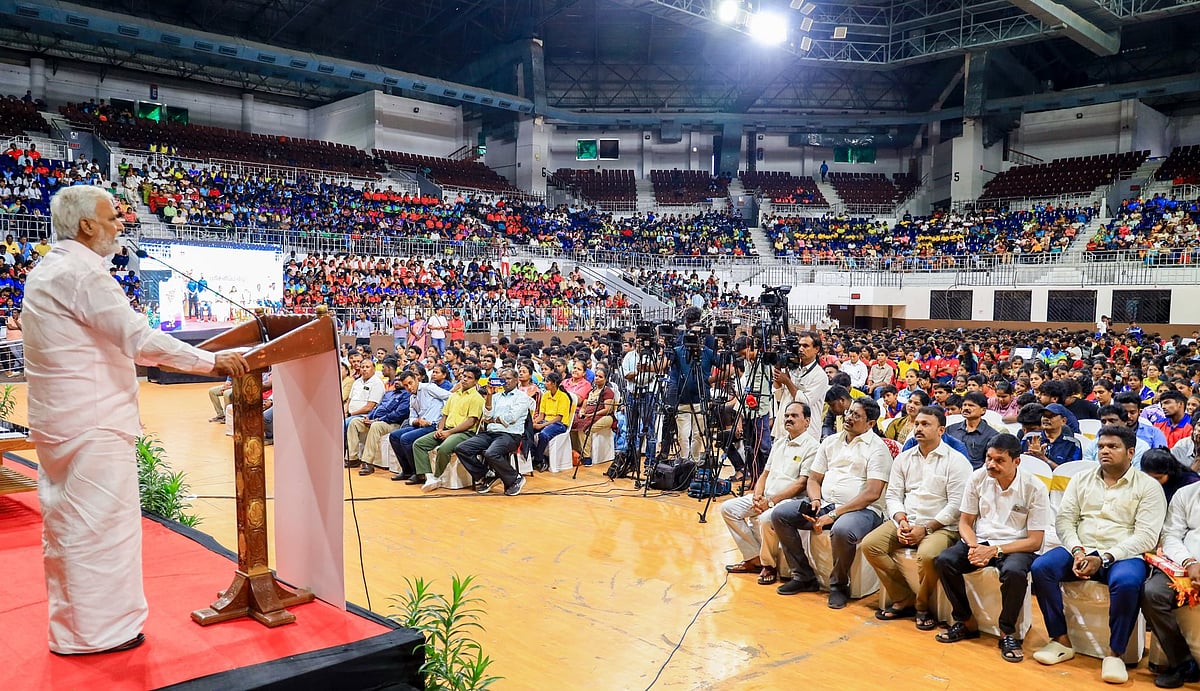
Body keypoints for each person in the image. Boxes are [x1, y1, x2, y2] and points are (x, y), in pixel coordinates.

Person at [25, 185, 249, 654]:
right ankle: (100, 635)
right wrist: (213, 363)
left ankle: (74, 629)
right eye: (112, 218)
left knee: (69, 525)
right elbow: (140, 340)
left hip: (62, 420)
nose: (119, 225)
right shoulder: (83, 274)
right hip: (93, 422)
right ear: (86, 225)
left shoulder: (49, 267)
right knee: (101, 530)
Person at [1030, 424, 1167, 684]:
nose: (1105, 451)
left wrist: (1105, 558)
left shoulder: (1148, 487)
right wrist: (1078, 550)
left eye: (1112, 446)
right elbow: (1065, 520)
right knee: (1041, 568)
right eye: (1101, 446)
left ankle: (1115, 653)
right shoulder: (1081, 479)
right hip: (1083, 546)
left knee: (1127, 583)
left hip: (1124, 552)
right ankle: (1060, 639)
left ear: (1130, 452)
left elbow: (1147, 536)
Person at [933, 433, 1050, 663]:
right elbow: (965, 523)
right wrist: (975, 546)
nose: (991, 465)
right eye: (989, 458)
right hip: (982, 540)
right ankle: (965, 621)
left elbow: (1035, 540)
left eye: (999, 460)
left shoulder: (1034, 487)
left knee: (1014, 572)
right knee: (944, 561)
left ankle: (1008, 632)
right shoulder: (978, 478)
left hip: (1017, 545)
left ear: (1017, 461)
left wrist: (994, 551)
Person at [773, 397, 892, 608]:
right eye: (850, 412)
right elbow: (813, 479)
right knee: (781, 515)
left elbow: (872, 493)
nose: (849, 418)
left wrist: (835, 514)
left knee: (843, 529)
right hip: (826, 502)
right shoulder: (830, 441)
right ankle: (803, 576)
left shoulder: (877, 448)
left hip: (863, 510)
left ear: (871, 424)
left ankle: (838, 585)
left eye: (857, 415)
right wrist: (816, 499)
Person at [863, 406, 972, 631]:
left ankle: (922, 606)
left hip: (942, 526)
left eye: (926, 424)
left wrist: (926, 528)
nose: (918, 428)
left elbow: (956, 506)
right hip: (907, 520)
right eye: (917, 424)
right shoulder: (904, 458)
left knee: (928, 555)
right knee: (870, 545)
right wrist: (901, 520)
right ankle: (904, 597)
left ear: (941, 429)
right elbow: (893, 495)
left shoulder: (956, 461)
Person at [722, 402, 819, 588]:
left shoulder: (813, 447)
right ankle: (754, 557)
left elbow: (801, 483)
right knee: (728, 508)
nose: (788, 419)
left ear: (807, 421)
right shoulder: (780, 442)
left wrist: (771, 502)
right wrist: (758, 495)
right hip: (767, 496)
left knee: (767, 517)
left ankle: (769, 565)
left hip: (790, 501)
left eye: (794, 416)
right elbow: (765, 474)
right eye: (787, 415)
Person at [1142, 477, 1200, 688]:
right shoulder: (1186, 494)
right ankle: (1182, 663)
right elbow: (1171, 535)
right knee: (1152, 593)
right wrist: (1190, 562)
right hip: (1184, 566)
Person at [454, 367, 533, 496]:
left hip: (510, 435)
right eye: (502, 379)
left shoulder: (522, 397)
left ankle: (515, 478)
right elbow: (486, 416)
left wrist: (493, 420)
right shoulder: (495, 396)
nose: (505, 381)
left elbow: (511, 418)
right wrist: (489, 396)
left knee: (491, 453)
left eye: (508, 379)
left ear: (516, 380)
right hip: (491, 433)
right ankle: (487, 476)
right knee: (462, 448)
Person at [413, 366, 484, 492]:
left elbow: (470, 422)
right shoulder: (454, 395)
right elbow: (444, 415)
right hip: (446, 429)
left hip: (465, 433)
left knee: (444, 448)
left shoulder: (476, 398)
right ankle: (429, 476)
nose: (464, 379)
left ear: (476, 381)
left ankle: (437, 476)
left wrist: (449, 432)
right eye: (463, 376)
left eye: (469, 378)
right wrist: (440, 429)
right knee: (419, 444)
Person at [945, 391, 1000, 470]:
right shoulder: (950, 429)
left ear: (983, 410)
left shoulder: (993, 435)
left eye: (971, 405)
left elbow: (990, 462)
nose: (966, 408)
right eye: (964, 405)